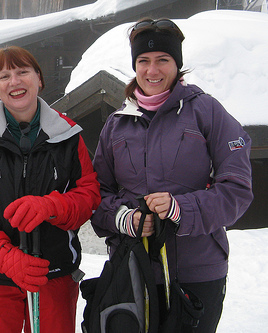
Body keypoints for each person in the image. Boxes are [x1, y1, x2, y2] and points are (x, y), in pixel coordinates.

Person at [90, 18, 253, 333]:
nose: (153, 71)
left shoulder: (206, 112)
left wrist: (181, 209)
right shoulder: (117, 123)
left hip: (197, 271)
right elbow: (96, 193)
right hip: (132, 269)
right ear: (135, 66)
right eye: (144, 61)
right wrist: (124, 218)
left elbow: (237, 189)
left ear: (177, 65)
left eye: (162, 60)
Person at [0, 46, 101, 333]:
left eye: (22, 72)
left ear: (39, 79)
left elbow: (88, 194)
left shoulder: (67, 135)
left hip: (52, 275)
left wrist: (52, 207)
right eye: (4, 76)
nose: (15, 82)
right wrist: (2, 254)